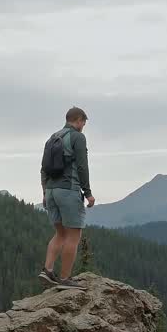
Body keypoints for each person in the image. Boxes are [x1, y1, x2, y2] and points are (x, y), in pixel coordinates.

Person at [39, 106, 95, 288]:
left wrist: (45, 192)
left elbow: (43, 168)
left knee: (60, 233)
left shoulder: (53, 137)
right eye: (83, 123)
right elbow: (81, 166)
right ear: (78, 120)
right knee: (73, 236)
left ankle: (47, 271)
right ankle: (65, 279)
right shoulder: (77, 137)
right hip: (69, 190)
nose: (83, 126)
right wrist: (88, 193)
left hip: (51, 191)